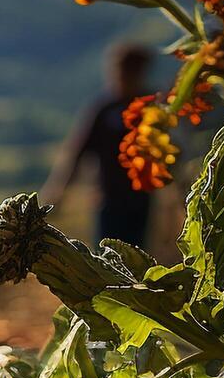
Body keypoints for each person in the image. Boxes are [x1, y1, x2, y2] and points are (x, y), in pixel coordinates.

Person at [42, 43, 156, 246]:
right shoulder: (103, 110)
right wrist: (57, 193)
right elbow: (77, 153)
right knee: (107, 260)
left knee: (138, 262)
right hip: (108, 201)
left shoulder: (151, 109)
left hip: (141, 201)